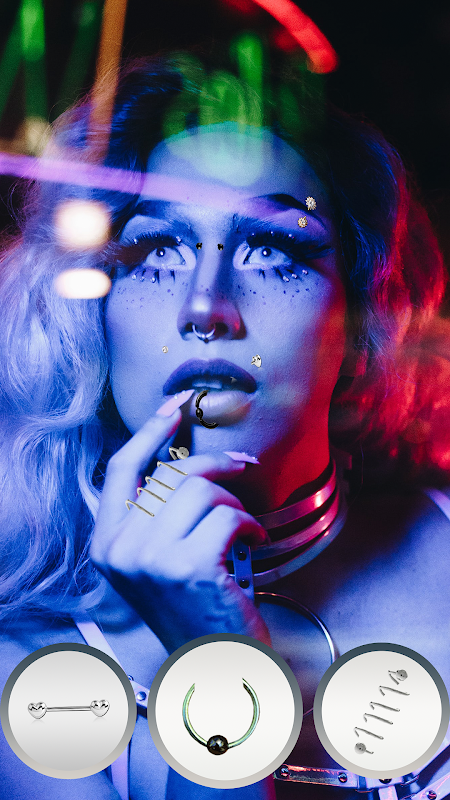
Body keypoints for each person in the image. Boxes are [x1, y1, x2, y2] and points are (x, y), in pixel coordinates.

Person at [0, 55, 449, 800]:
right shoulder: (31, 674)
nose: (206, 307)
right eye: (156, 251)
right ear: (90, 318)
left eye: (271, 249)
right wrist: (214, 653)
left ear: (360, 315)